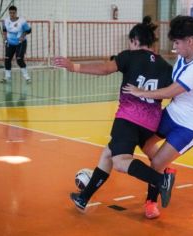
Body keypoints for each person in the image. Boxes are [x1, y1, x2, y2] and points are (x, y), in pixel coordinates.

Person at [54, 16, 176, 212]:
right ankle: (83, 198)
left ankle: (162, 180)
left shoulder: (130, 55)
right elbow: (174, 91)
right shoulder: (166, 66)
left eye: (130, 42)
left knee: (120, 161)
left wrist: (74, 67)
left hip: (128, 119)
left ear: (135, 41)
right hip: (151, 123)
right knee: (108, 154)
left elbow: (104, 69)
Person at [123, 15, 193, 219]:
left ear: (190, 41)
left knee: (156, 164)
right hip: (173, 113)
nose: (174, 47)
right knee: (144, 142)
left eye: (177, 43)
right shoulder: (184, 56)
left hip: (190, 126)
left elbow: (170, 90)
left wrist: (141, 92)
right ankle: (166, 173)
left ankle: (151, 202)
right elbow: (168, 77)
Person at [1, 5, 32, 84]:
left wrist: (22, 36)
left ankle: (27, 77)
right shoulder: (6, 20)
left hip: (20, 43)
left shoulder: (22, 21)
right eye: (10, 13)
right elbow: (4, 30)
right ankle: (7, 77)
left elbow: (28, 30)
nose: (12, 14)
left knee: (19, 59)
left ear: (16, 12)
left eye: (13, 13)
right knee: (7, 59)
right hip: (10, 43)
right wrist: (4, 37)